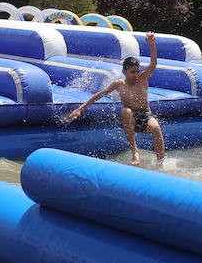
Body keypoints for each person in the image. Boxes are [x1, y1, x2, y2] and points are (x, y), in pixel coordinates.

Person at [66, 32, 165, 166]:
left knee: (156, 128)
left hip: (145, 115)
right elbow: (99, 95)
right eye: (132, 72)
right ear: (124, 71)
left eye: (137, 71)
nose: (136, 75)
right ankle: (135, 150)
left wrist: (152, 44)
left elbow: (153, 63)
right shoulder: (119, 84)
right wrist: (80, 109)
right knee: (126, 111)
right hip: (131, 119)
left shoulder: (143, 79)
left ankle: (161, 163)